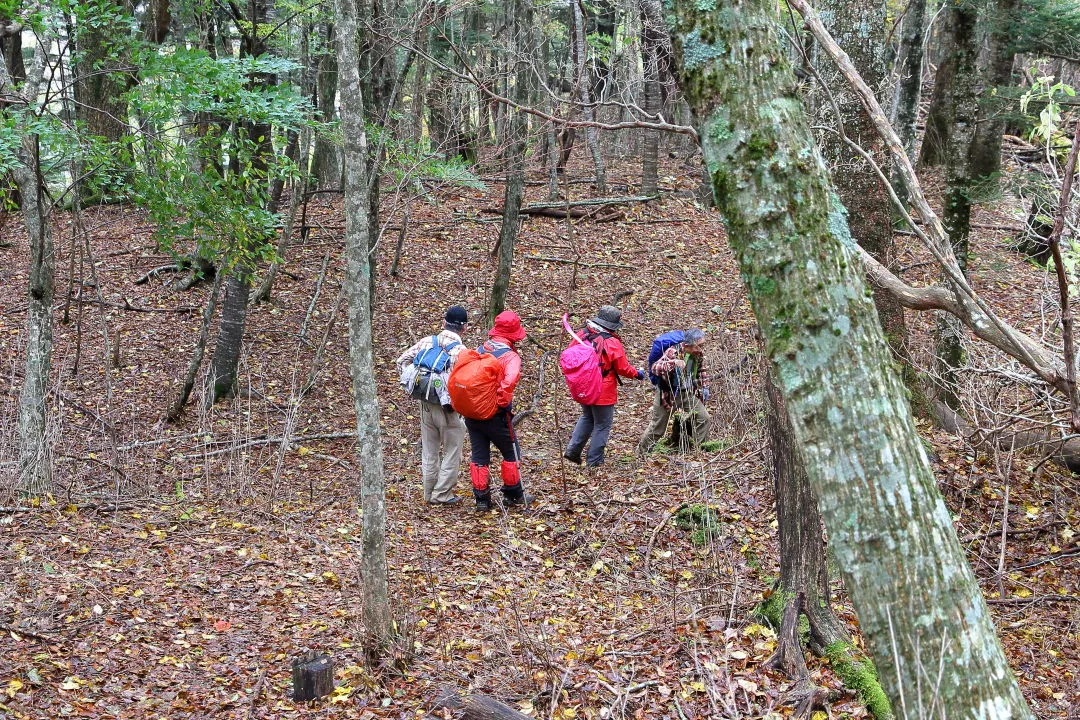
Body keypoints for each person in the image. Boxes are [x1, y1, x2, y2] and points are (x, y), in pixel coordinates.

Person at [395, 305, 470, 505]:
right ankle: (442, 494)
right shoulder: (462, 352)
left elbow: (401, 360)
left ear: (443, 322)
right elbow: (465, 384)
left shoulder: (428, 341)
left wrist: (416, 383)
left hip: (425, 403)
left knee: (429, 450)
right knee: (452, 451)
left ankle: (428, 493)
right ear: (464, 328)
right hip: (448, 408)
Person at [465, 310, 533, 511]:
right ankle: (513, 495)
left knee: (479, 455)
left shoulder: (478, 349)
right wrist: (501, 404)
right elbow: (509, 381)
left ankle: (482, 500)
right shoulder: (510, 357)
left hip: (472, 412)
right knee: (511, 452)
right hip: (496, 415)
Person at [562, 306, 646, 467]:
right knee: (602, 424)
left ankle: (573, 451)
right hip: (603, 389)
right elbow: (622, 367)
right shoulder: (611, 342)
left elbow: (570, 355)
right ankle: (594, 461)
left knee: (587, 416)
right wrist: (638, 374)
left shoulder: (582, 334)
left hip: (583, 385)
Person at [637, 328, 711, 454]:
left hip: (687, 394)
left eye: (702, 346)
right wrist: (673, 363)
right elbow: (655, 368)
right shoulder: (673, 352)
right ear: (687, 345)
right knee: (658, 429)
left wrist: (705, 387)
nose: (701, 350)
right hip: (667, 395)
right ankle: (641, 454)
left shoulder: (698, 354)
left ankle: (700, 452)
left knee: (704, 418)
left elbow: (701, 370)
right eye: (699, 346)